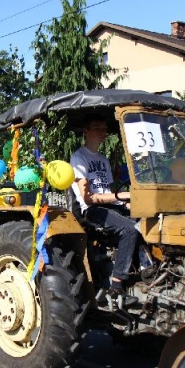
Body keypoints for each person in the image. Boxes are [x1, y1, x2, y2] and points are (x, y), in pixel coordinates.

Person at [70, 114, 139, 298]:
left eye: (104, 129)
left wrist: (125, 202)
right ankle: (116, 285)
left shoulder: (102, 159)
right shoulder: (79, 158)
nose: (103, 132)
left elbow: (106, 189)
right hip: (91, 210)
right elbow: (89, 198)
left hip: (108, 205)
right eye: (97, 128)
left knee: (144, 219)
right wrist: (120, 196)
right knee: (130, 229)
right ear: (86, 131)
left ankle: (144, 271)